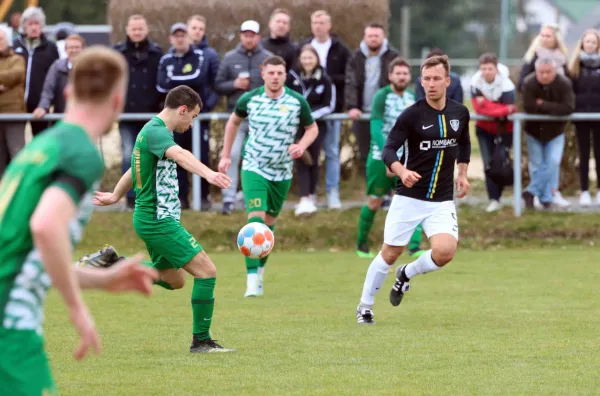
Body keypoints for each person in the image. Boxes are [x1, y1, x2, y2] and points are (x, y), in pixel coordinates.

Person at [0, 46, 159, 395]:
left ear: (68, 92)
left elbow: (28, 257)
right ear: (117, 103)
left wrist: (103, 280)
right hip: (9, 328)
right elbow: (46, 227)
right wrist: (77, 309)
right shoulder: (81, 153)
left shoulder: (36, 151)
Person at [92, 85, 235, 354]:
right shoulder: (156, 132)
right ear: (182, 110)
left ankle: (114, 265)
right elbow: (182, 155)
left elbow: (135, 168)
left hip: (153, 218)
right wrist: (209, 174)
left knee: (174, 279)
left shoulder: (154, 132)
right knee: (207, 272)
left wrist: (115, 195)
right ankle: (201, 342)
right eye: (192, 116)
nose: (192, 123)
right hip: (158, 220)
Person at [355, 55, 471, 324]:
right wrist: (402, 171)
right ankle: (365, 305)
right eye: (426, 79)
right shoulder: (411, 115)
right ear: (422, 82)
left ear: (447, 81)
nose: (431, 84)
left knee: (445, 252)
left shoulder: (459, 113)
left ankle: (406, 273)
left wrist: (462, 174)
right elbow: (388, 150)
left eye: (436, 79)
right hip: (409, 198)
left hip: (441, 200)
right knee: (389, 253)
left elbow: (463, 145)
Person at [218, 55, 318, 297]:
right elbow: (233, 123)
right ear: (263, 74)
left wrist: (302, 146)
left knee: (269, 228)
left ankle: (260, 274)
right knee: (256, 222)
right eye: (270, 73)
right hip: (253, 166)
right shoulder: (249, 99)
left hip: (282, 171)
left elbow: (311, 128)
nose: (275, 77)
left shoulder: (296, 102)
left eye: (279, 73)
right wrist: (226, 155)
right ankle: (251, 281)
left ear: (285, 76)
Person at [355, 57, 424, 259]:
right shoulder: (381, 96)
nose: (402, 77)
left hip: (408, 159)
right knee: (375, 202)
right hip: (380, 158)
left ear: (409, 77)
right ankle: (361, 245)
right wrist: (390, 158)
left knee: (414, 199)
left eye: (405, 73)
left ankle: (414, 247)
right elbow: (376, 128)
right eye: (398, 73)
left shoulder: (412, 98)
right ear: (390, 76)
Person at [158, 22, 220, 210]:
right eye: (176, 35)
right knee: (177, 158)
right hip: (175, 120)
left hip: (197, 118)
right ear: (171, 38)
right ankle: (181, 199)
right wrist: (178, 81)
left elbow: (198, 78)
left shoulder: (200, 56)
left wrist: (173, 80)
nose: (179, 38)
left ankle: (203, 198)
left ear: (188, 37)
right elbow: (161, 86)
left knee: (200, 156)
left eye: (182, 35)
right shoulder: (165, 60)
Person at [215, 20, 271, 214]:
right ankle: (228, 199)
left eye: (252, 35)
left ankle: (253, 198)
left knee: (256, 157)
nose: (249, 38)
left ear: (258, 37)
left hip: (260, 119)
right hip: (236, 118)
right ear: (241, 36)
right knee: (232, 155)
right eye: (245, 34)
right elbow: (218, 85)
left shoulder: (267, 58)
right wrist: (234, 85)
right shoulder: (230, 58)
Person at [299, 10, 352, 209]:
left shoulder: (340, 49)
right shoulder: (304, 47)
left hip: (331, 110)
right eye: (315, 22)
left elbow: (347, 77)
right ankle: (308, 195)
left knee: (331, 152)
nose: (318, 26)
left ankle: (332, 192)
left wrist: (326, 81)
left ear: (329, 25)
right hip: (306, 115)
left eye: (322, 22)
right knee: (308, 153)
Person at [114, 14, 164, 209]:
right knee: (129, 154)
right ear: (127, 30)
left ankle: (149, 195)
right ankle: (130, 197)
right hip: (125, 114)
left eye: (140, 29)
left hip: (150, 115)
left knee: (149, 157)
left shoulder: (157, 53)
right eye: (133, 29)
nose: (137, 32)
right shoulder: (118, 53)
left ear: (146, 30)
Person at [286, 44, 335, 216]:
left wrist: (310, 116)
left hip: (316, 126)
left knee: (313, 159)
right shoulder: (291, 77)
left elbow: (329, 105)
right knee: (300, 158)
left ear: (316, 59)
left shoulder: (325, 79)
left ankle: (311, 195)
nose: (307, 61)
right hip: (295, 125)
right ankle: (303, 198)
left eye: (310, 58)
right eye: (304, 58)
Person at [346, 22, 400, 170]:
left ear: (383, 37)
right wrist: (352, 107)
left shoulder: (393, 56)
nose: (373, 39)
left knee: (391, 150)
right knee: (366, 153)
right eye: (370, 36)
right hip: (362, 114)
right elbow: (350, 83)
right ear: (365, 37)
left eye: (376, 36)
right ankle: (370, 189)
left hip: (387, 113)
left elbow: (398, 81)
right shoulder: (355, 57)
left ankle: (391, 189)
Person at [521, 58, 574, 209]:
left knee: (553, 161)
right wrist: (553, 108)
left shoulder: (564, 83)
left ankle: (531, 191)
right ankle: (545, 198)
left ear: (555, 71)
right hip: (534, 131)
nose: (544, 75)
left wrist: (542, 104)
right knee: (537, 165)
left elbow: (568, 108)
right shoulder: (529, 82)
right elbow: (529, 107)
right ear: (536, 71)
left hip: (556, 131)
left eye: (548, 72)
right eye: (541, 72)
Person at [470, 52, 517, 212]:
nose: (487, 72)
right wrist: (500, 109)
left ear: (496, 69)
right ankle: (494, 199)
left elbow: (511, 110)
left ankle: (501, 194)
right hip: (484, 130)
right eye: (484, 68)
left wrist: (488, 105)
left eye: (490, 68)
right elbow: (478, 108)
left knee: (501, 162)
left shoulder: (507, 86)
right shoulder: (475, 84)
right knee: (488, 164)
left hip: (505, 130)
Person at [13, 7, 59, 136]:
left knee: (40, 142)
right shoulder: (15, 45)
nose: (34, 27)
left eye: (37, 23)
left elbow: (55, 76)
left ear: (42, 26)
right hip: (17, 105)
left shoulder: (51, 48)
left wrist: (50, 102)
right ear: (24, 26)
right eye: (30, 24)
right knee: (14, 144)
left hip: (40, 106)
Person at [567, 29, 600, 206]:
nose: (590, 45)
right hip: (581, 117)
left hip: (598, 117)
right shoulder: (574, 66)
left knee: (599, 154)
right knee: (584, 154)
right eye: (587, 42)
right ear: (582, 44)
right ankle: (585, 190)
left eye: (593, 42)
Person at [34, 34, 85, 119]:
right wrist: (43, 107)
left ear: (83, 49)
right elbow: (48, 90)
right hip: (61, 116)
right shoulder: (57, 66)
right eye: (71, 47)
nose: (74, 50)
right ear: (65, 50)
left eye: (77, 47)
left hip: (85, 117)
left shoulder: (91, 68)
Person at [0, 29, 26, 180]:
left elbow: (16, 75)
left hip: (14, 114)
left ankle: (20, 192)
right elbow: (8, 79)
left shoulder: (17, 59)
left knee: (18, 155)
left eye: (1, 39)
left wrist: (8, 82)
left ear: (7, 41)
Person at [262, 8, 297, 73]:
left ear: (289, 27)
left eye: (285, 23)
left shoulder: (294, 49)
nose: (281, 25)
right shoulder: (260, 46)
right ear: (270, 23)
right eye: (278, 21)